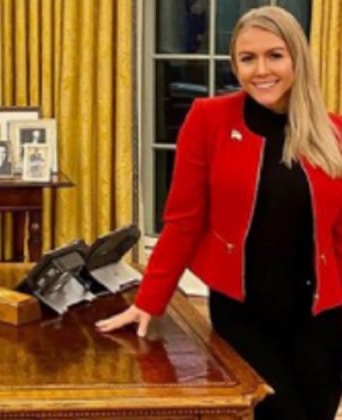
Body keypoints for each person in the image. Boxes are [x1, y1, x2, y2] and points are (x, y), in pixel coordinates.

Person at [96, 6, 342, 420]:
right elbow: (183, 222)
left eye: (275, 55)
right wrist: (149, 300)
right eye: (247, 58)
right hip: (243, 313)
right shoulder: (208, 120)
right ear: (235, 65)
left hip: (322, 318)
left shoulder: (334, 132)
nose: (261, 70)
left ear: (297, 58)